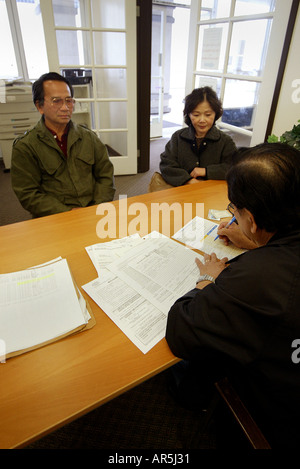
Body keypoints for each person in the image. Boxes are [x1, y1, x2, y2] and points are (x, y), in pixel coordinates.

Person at [165, 143, 300, 448]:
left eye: (234, 211)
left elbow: (180, 330)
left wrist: (207, 278)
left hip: (277, 418)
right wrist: (259, 242)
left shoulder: (253, 281)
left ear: (250, 218)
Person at [11, 72, 115, 218]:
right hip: (54, 217)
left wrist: (97, 207)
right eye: (56, 101)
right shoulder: (26, 147)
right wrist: (67, 213)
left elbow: (105, 176)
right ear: (39, 106)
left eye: (69, 100)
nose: (65, 107)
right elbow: (28, 194)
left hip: (93, 212)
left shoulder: (88, 138)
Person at [159, 87, 237, 186]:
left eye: (208, 115)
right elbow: (167, 165)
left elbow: (234, 167)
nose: (202, 120)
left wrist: (206, 171)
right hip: (182, 190)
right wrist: (187, 180)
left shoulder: (225, 141)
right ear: (189, 115)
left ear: (216, 114)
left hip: (212, 192)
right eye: (196, 115)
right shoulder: (177, 137)